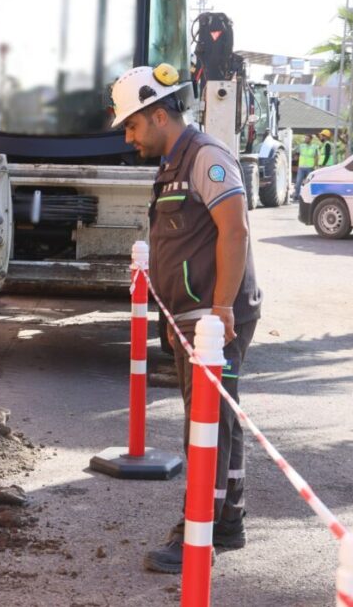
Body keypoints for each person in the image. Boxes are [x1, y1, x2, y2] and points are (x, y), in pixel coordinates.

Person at [109, 64, 262, 575]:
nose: (128, 137)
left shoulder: (207, 157)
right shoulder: (174, 163)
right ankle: (230, 520)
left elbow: (234, 230)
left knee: (207, 424)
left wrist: (219, 311)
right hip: (194, 315)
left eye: (131, 125)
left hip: (213, 317)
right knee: (220, 416)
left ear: (157, 115)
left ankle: (198, 532)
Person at [294, 133, 319, 198]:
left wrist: (315, 166)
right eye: (305, 138)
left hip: (310, 168)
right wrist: (295, 158)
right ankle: (296, 196)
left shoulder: (314, 147)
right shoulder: (301, 146)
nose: (306, 139)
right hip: (301, 167)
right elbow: (296, 154)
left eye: (307, 138)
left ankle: (307, 196)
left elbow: (316, 157)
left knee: (308, 183)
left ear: (311, 139)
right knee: (298, 183)